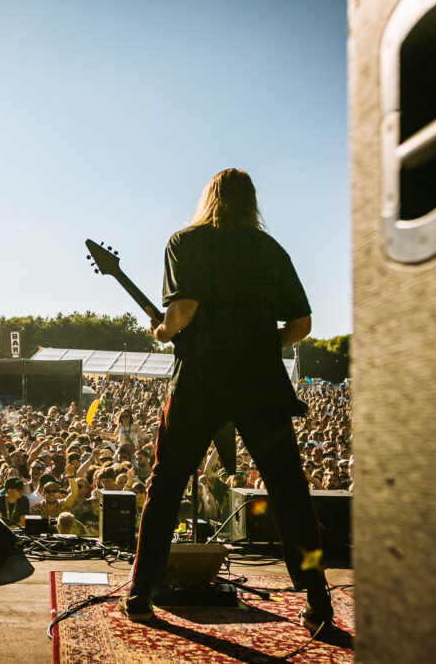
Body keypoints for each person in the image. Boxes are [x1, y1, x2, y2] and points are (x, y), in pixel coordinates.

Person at [121, 169, 333, 633]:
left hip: (200, 382)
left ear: (208, 197)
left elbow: (183, 310)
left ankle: (139, 593)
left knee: (167, 483)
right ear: (251, 202)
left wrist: (161, 331)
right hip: (261, 384)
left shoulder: (185, 242)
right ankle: (318, 600)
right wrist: (258, 341)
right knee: (290, 491)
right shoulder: (270, 249)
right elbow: (301, 323)